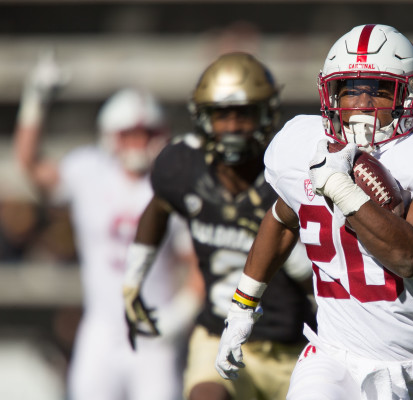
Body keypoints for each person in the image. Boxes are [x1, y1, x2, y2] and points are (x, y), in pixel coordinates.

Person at [215, 24, 413, 400]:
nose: (361, 104)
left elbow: (410, 256)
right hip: (331, 358)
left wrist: (341, 188)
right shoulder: (303, 143)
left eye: (378, 90)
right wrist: (243, 306)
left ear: (410, 94)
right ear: (329, 93)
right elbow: (281, 219)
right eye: (350, 90)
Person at [122, 52, 315, 400]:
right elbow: (159, 205)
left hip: (295, 346)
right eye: (221, 115)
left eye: (244, 114)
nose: (232, 127)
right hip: (217, 333)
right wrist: (133, 278)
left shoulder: (289, 173)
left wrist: (290, 249)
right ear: (202, 117)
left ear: (266, 115)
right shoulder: (183, 166)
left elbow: (323, 278)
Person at [13, 52, 202, 400]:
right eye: (130, 134)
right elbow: (30, 165)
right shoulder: (89, 171)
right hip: (100, 328)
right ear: (110, 135)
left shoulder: (174, 183)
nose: (139, 143)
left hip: (152, 332)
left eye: (146, 133)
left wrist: (176, 318)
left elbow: (198, 268)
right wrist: (34, 100)